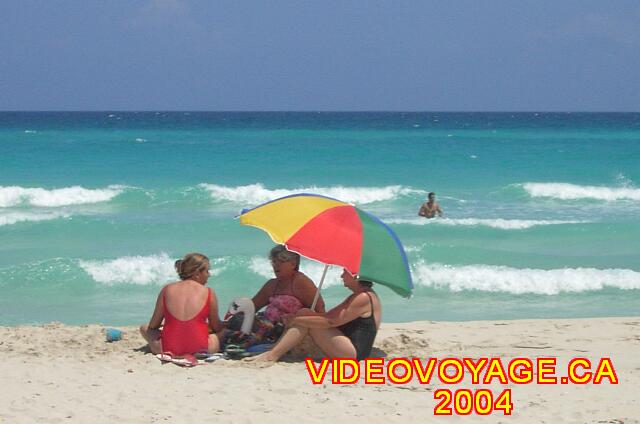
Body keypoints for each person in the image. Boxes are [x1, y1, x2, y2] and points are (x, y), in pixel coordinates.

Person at [249, 269, 381, 363]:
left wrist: (296, 320)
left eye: (345, 272)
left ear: (355, 275)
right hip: (346, 344)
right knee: (305, 313)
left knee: (304, 322)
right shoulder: (359, 295)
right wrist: (302, 316)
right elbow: (329, 315)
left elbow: (330, 321)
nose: (341, 276)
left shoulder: (363, 297)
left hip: (353, 353)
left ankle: (272, 355)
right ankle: (275, 349)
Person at [140, 252, 223, 355]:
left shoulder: (167, 290)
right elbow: (216, 327)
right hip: (201, 350)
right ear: (197, 273)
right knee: (222, 333)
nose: (209, 275)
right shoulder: (209, 292)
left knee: (144, 328)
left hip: (166, 349)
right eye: (207, 271)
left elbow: (153, 326)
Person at [252, 245, 325, 321]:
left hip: (293, 329)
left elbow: (321, 312)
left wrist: (296, 320)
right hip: (267, 328)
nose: (276, 265)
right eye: (274, 261)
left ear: (293, 264)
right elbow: (252, 306)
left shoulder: (301, 282)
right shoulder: (272, 285)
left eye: (281, 261)